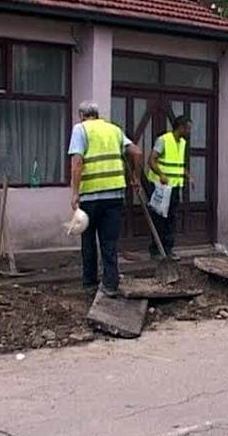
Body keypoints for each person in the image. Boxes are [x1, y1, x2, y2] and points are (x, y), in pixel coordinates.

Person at [69, 101, 142, 296]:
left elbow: (77, 162)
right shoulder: (114, 129)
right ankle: (110, 284)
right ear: (97, 114)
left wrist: (75, 192)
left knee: (88, 240)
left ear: (82, 115)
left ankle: (90, 282)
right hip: (115, 196)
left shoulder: (80, 129)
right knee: (109, 241)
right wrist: (135, 177)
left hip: (91, 196)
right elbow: (137, 152)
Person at [145, 115, 194, 260]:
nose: (190, 132)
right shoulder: (163, 140)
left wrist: (188, 176)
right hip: (160, 187)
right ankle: (155, 251)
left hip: (174, 187)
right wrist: (160, 174)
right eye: (188, 128)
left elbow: (178, 166)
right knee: (159, 218)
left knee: (171, 219)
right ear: (181, 127)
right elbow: (151, 160)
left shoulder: (183, 143)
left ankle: (168, 250)